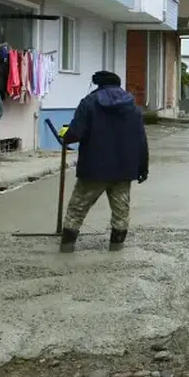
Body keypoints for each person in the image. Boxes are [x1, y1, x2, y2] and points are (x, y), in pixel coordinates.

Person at [57, 71, 149, 253]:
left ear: (98, 84)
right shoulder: (131, 106)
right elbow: (141, 139)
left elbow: (76, 133)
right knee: (121, 210)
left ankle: (67, 247)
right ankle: (116, 248)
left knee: (77, 208)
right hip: (123, 168)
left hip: (94, 167)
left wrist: (66, 137)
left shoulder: (89, 102)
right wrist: (142, 168)